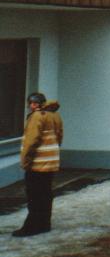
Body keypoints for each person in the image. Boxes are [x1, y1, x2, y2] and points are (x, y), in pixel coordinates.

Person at [13, 92, 63, 237]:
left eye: (34, 103)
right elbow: (60, 136)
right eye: (30, 103)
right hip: (51, 161)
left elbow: (31, 141)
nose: (32, 106)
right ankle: (44, 224)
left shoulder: (37, 117)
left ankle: (31, 226)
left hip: (37, 163)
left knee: (34, 195)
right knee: (46, 194)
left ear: (41, 104)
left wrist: (25, 161)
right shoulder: (55, 115)